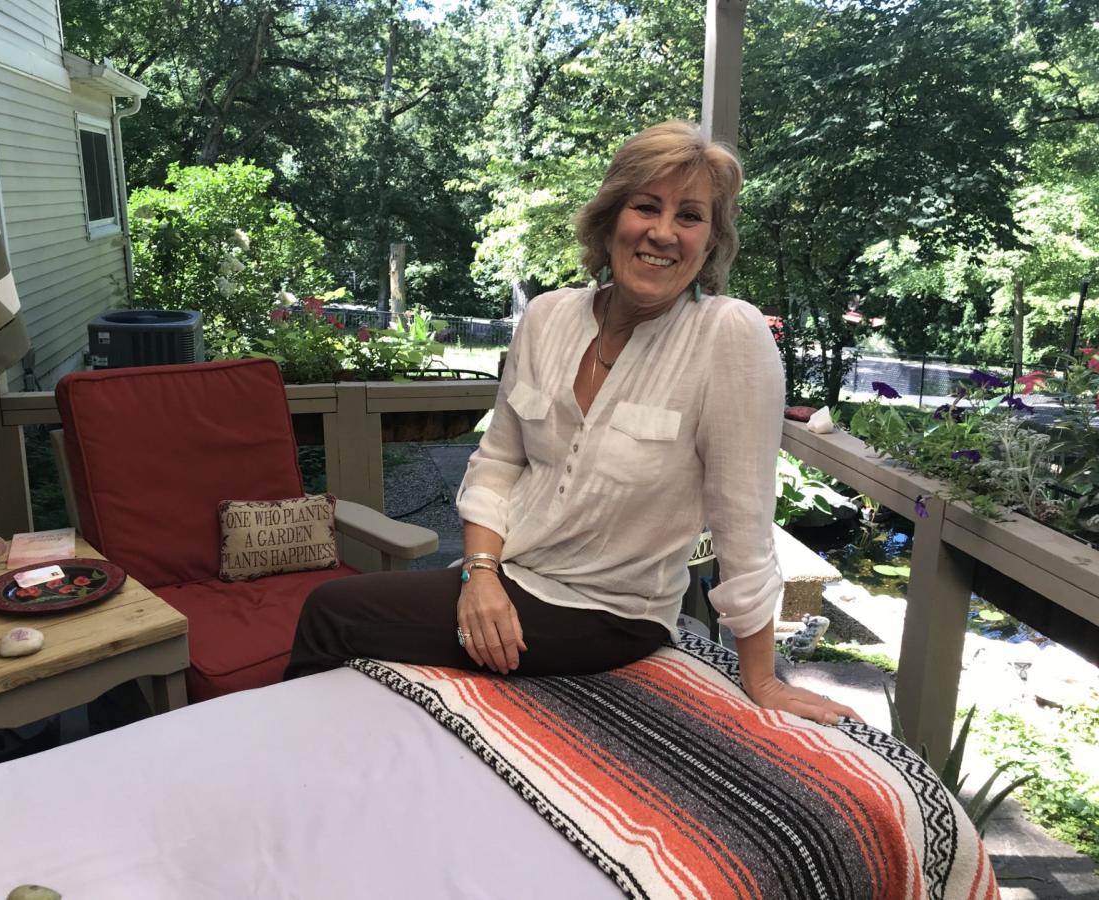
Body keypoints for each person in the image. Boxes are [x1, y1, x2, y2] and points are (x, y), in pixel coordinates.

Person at [286, 120, 858, 727]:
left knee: (332, 613)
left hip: (610, 614)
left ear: (710, 241)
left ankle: (290, 759)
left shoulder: (728, 334)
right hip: (507, 575)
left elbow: (743, 521)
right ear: (610, 219)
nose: (664, 232)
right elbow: (498, 461)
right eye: (647, 206)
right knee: (366, 659)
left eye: (690, 216)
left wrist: (762, 678)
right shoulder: (548, 317)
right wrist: (480, 575)